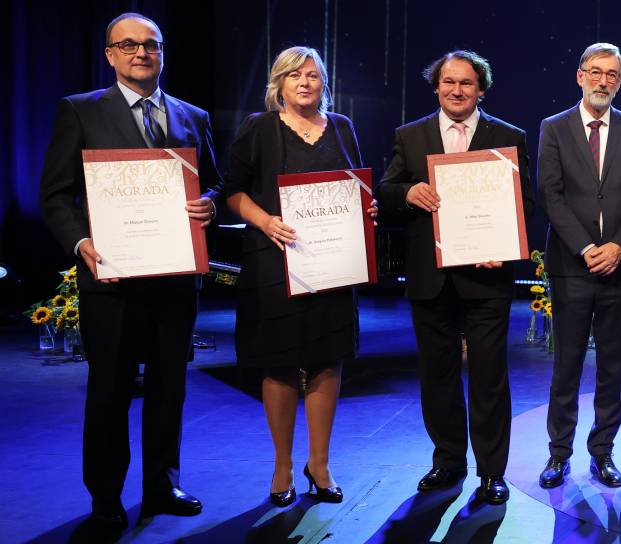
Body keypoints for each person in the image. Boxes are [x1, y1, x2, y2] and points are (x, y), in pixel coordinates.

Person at [38, 12, 220, 532]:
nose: (141, 53)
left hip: (174, 279)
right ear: (110, 55)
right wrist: (81, 242)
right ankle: (106, 498)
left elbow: (214, 181)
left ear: (162, 52)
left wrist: (209, 202)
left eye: (151, 44)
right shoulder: (80, 110)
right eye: (129, 45)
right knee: (109, 392)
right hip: (112, 280)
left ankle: (162, 485)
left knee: (169, 389)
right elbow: (55, 195)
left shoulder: (193, 116)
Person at [375, 50, 532, 505]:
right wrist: (409, 192)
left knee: (489, 377)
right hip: (431, 276)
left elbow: (524, 203)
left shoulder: (508, 136)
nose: (457, 91)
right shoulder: (411, 135)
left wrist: (504, 247)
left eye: (466, 83)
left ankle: (491, 471)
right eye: (449, 82)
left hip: (487, 278)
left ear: (481, 89)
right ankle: (447, 461)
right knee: (437, 375)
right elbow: (385, 192)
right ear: (437, 86)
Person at [223, 46, 374, 507]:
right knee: (281, 363)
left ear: (323, 82)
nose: (305, 83)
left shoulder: (343, 127)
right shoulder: (259, 127)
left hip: (333, 265)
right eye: (294, 76)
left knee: (329, 361)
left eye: (312, 75)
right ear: (279, 84)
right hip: (276, 263)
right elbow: (233, 192)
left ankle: (320, 465)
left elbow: (358, 186)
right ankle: (283, 466)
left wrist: (367, 207)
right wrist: (265, 221)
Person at [537, 43, 621, 489]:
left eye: (612, 75)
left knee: (611, 366)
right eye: (596, 72)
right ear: (580, 76)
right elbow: (550, 195)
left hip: (618, 268)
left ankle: (603, 451)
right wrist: (586, 247)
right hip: (571, 266)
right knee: (565, 365)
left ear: (619, 82)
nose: (603, 81)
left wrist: (619, 246)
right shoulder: (554, 127)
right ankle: (558, 453)